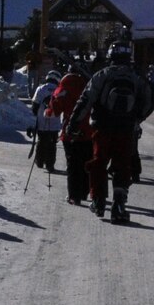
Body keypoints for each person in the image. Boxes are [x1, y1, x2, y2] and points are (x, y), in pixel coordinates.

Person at [72, 43, 154, 223]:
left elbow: (86, 99)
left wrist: (74, 123)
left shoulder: (102, 75)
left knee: (99, 161)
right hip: (126, 128)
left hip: (102, 126)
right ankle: (119, 206)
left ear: (111, 56)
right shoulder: (137, 77)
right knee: (122, 165)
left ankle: (98, 201)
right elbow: (151, 98)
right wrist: (138, 118)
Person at [50, 68, 92, 204]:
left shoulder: (64, 86)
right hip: (88, 130)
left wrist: (52, 100)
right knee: (86, 161)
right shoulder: (89, 84)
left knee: (73, 164)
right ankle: (85, 191)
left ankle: (74, 195)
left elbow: (56, 110)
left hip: (70, 131)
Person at [29, 70, 62, 173]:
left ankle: (39, 161)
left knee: (42, 141)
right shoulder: (59, 90)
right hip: (54, 123)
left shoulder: (40, 88)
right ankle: (50, 164)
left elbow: (35, 106)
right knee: (52, 144)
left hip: (42, 122)